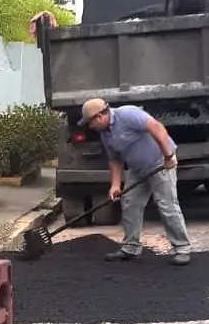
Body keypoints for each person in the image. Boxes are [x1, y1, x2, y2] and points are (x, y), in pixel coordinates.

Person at [77, 97, 191, 266]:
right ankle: (131, 247)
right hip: (138, 170)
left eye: (90, 122)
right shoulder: (105, 134)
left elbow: (156, 127)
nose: (89, 127)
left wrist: (168, 155)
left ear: (99, 116)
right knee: (129, 201)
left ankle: (182, 248)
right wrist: (115, 185)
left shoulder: (128, 114)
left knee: (166, 204)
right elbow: (114, 159)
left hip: (160, 162)